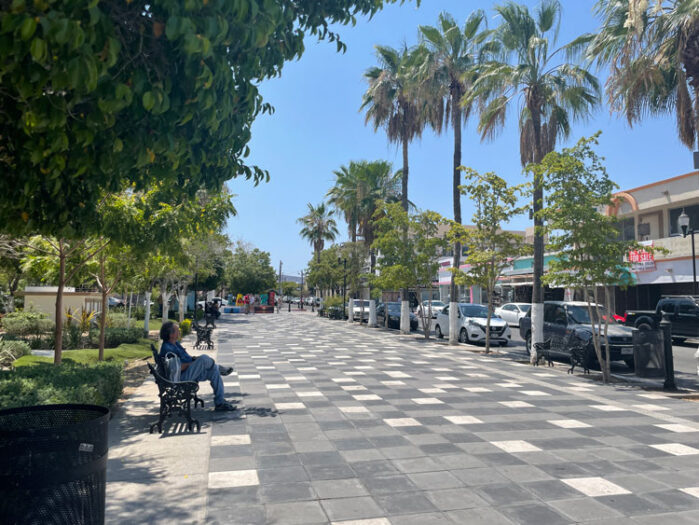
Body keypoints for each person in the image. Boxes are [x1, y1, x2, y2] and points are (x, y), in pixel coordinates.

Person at [159, 321, 237, 411]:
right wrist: (193, 364)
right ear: (171, 334)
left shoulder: (175, 344)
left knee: (213, 372)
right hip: (181, 378)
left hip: (188, 372)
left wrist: (194, 360)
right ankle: (219, 368)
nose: (179, 332)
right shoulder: (167, 348)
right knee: (204, 359)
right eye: (177, 331)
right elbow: (177, 368)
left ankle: (220, 403)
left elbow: (186, 358)